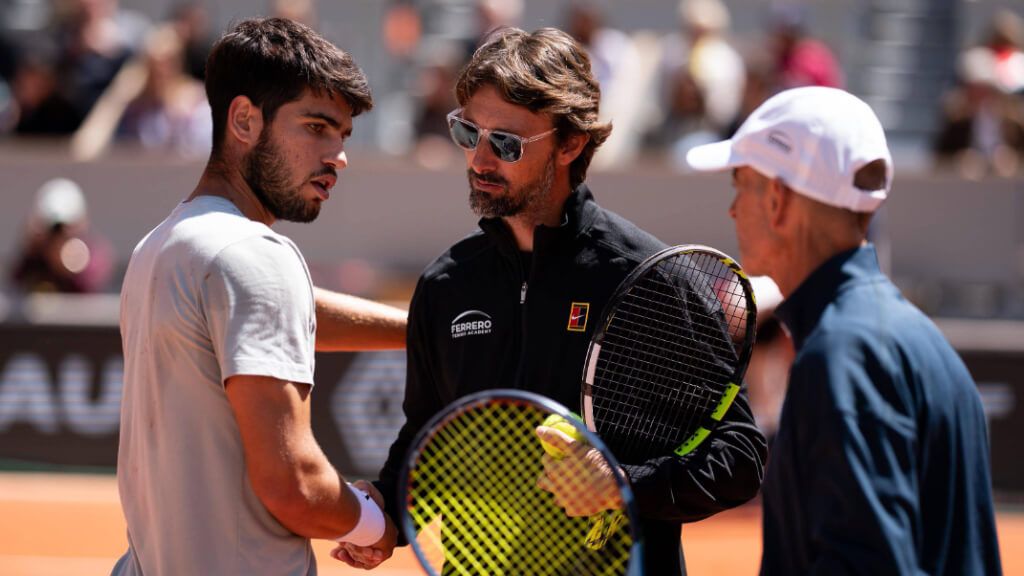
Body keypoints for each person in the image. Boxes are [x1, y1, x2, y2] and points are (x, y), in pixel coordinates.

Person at [335, 27, 767, 575]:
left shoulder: (649, 280)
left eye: (507, 143)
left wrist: (622, 485)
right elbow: (426, 441)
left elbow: (740, 455)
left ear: (570, 143)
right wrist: (385, 511)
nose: (480, 160)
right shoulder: (446, 286)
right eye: (468, 133)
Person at [113, 17, 407, 575]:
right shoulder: (254, 256)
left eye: (342, 136)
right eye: (317, 127)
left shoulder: (164, 245)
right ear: (245, 119)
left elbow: (289, 307)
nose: (338, 155)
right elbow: (295, 485)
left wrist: (417, 330)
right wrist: (376, 521)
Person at [686, 86, 1002, 575]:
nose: (731, 209)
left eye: (739, 184)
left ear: (777, 200)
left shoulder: (843, 356)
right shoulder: (915, 339)